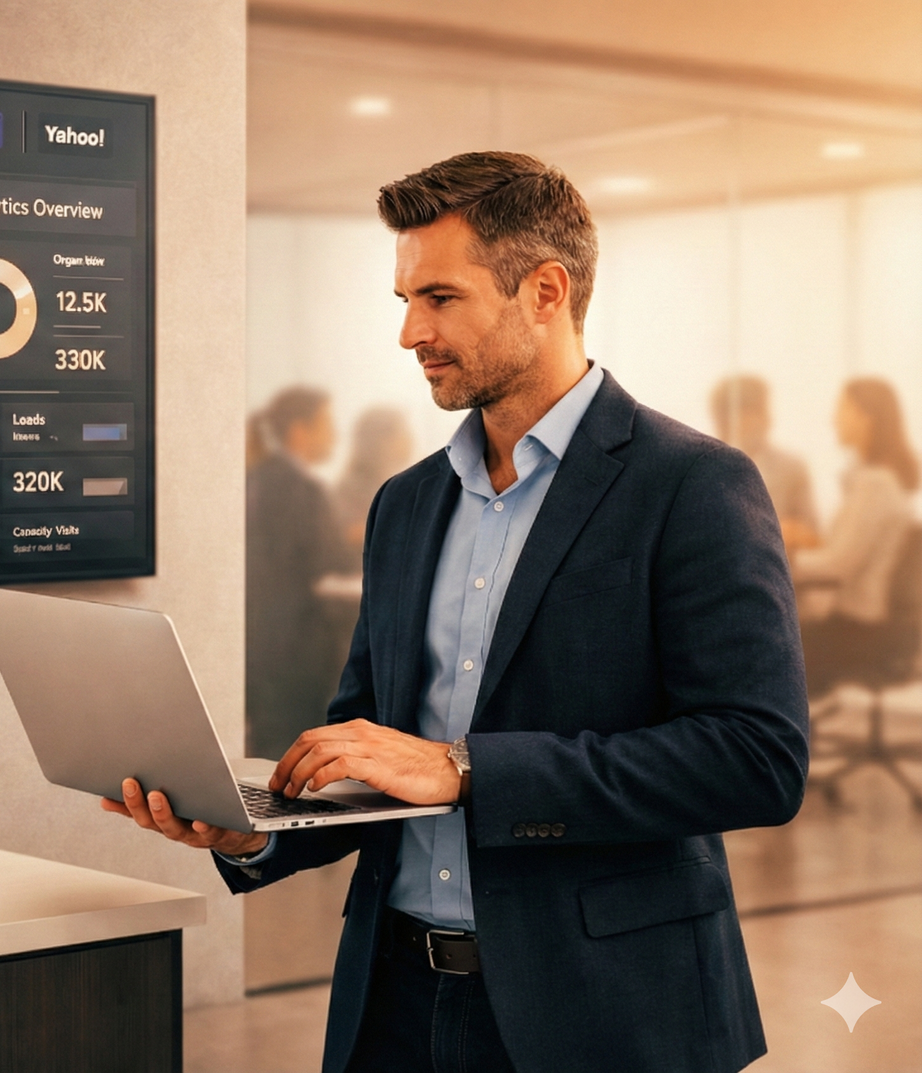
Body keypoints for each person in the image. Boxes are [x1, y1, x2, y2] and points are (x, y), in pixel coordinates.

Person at [104, 152, 807, 1073]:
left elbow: (757, 758)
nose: (409, 332)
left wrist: (465, 770)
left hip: (602, 1012)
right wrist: (257, 834)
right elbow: (370, 745)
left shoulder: (694, 485)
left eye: (439, 298)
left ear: (545, 291)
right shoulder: (406, 503)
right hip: (394, 999)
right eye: (405, 299)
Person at [245, 387, 353, 761]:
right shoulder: (300, 489)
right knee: (292, 761)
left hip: (262, 647)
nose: (334, 436)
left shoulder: (257, 478)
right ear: (299, 431)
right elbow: (324, 563)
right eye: (327, 425)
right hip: (296, 653)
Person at [794, 378, 918, 698]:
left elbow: (838, 565)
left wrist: (781, 554)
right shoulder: (875, 481)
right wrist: (806, 542)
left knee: (760, 650)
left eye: (842, 409)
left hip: (859, 632)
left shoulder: (876, 484)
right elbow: (847, 551)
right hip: (861, 629)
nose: (834, 419)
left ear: (866, 417)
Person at [710, 375, 818, 553]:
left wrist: (793, 534)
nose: (767, 417)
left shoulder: (791, 468)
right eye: (758, 410)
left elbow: (814, 537)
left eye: (764, 409)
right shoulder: (704, 467)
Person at [334, 406, 414, 555]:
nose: (409, 440)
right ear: (381, 441)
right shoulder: (352, 487)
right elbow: (346, 534)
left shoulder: (399, 481)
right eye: (401, 433)